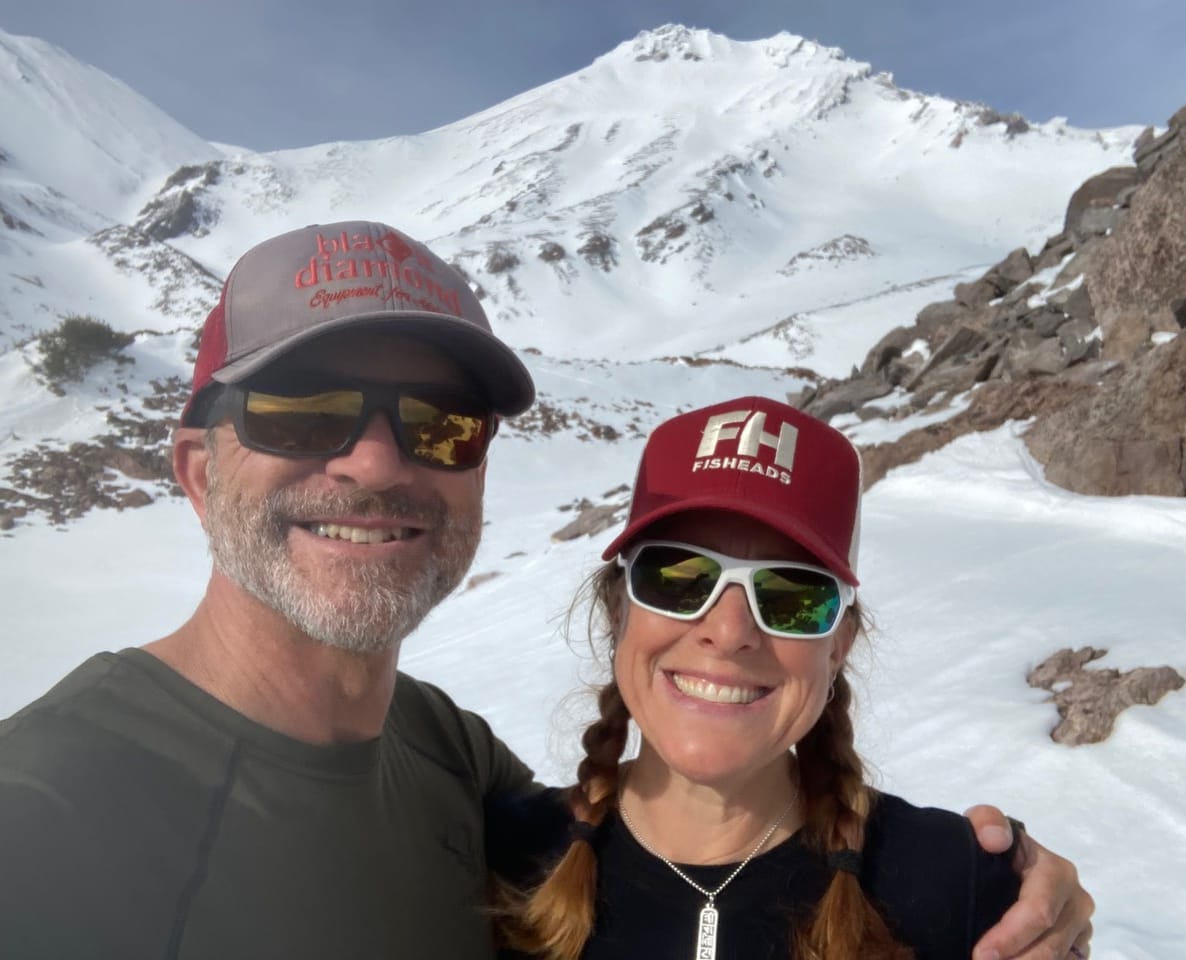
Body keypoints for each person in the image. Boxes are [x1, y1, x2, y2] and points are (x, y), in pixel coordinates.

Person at [0, 221, 1090, 960]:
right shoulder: (43, 816)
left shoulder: (462, 781)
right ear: (194, 469)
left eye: (439, 423)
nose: (378, 464)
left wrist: (1021, 894)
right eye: (303, 409)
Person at [498, 396, 1093, 960]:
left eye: (792, 595)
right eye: (677, 577)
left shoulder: (951, 886)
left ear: (838, 647)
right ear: (617, 613)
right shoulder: (502, 860)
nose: (729, 632)